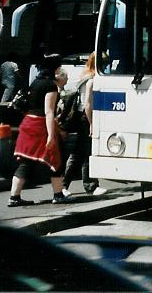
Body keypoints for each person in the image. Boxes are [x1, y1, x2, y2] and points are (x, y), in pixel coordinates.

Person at [8, 60, 69, 207]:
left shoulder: (35, 82)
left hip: (27, 123)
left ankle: (14, 197)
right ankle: (58, 195)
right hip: (40, 126)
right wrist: (51, 134)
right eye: (58, 66)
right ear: (53, 69)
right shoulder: (50, 85)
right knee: (55, 160)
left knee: (26, 163)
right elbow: (49, 111)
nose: (59, 68)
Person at [62, 53, 106, 197]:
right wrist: (92, 123)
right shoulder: (92, 79)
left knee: (81, 153)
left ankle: (67, 185)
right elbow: (87, 104)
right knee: (85, 152)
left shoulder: (83, 74)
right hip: (86, 118)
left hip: (81, 117)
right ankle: (88, 185)